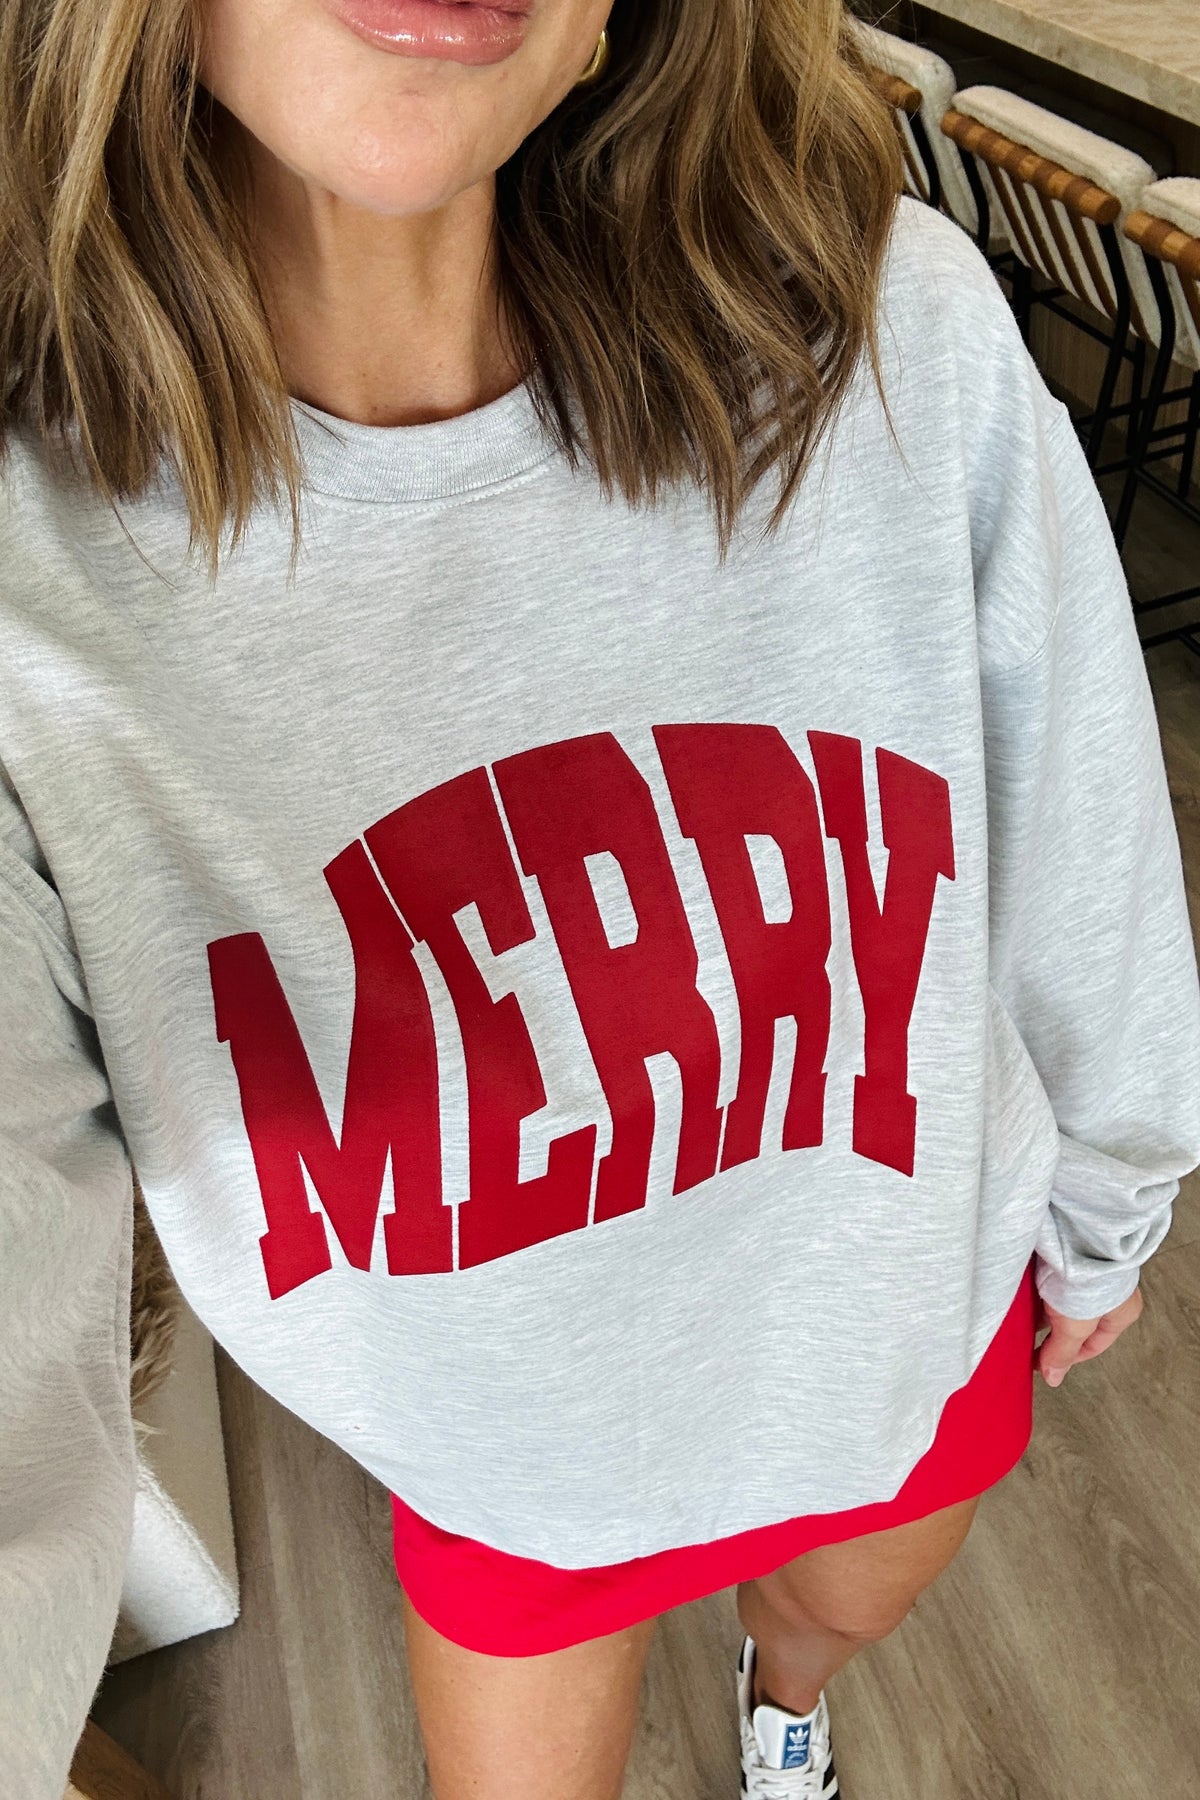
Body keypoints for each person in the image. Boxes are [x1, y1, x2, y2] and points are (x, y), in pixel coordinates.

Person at [1, 1, 1198, 1796]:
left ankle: (782, 1709)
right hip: (519, 1464)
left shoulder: (894, 338)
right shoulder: (31, 573)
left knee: (832, 1623)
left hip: (897, 1334)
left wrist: (1111, 1199)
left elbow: (1080, 829)